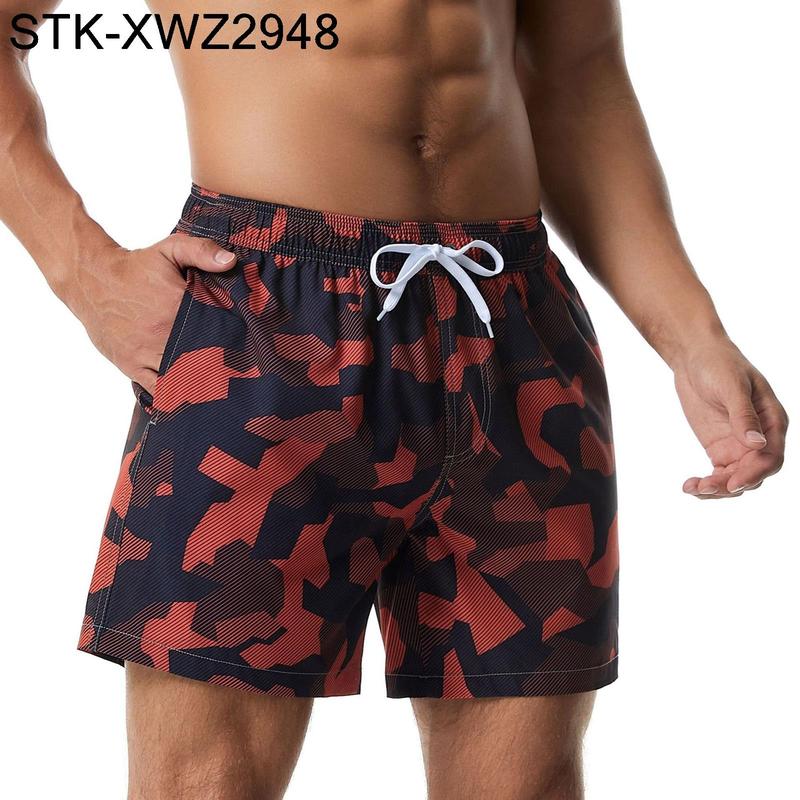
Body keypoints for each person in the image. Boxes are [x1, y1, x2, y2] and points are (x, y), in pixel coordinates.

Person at [0, 2, 788, 798]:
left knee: (531, 784)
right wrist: (85, 272)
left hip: (510, 325)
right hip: (268, 325)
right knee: (206, 782)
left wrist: (694, 338)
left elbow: (577, 78)